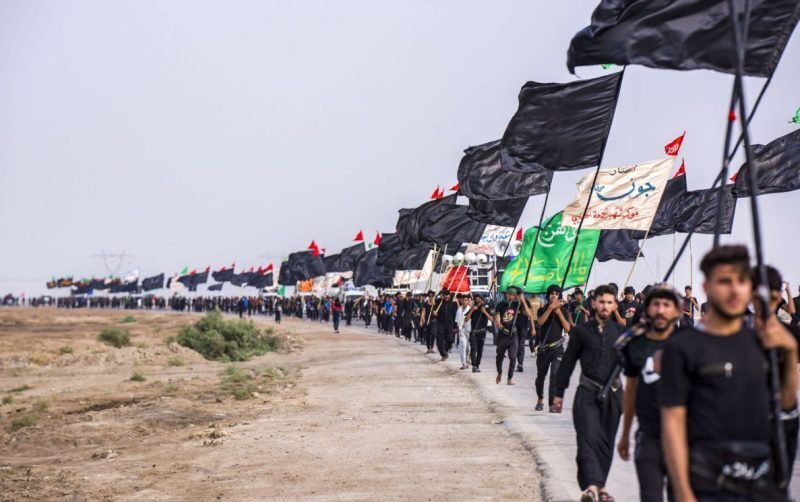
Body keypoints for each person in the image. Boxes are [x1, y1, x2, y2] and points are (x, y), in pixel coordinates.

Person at [661, 245, 798, 501]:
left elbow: (786, 406)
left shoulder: (765, 342)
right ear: (707, 287)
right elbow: (672, 424)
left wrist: (790, 353)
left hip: (760, 480)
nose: (735, 290)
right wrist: (682, 492)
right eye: (725, 281)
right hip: (707, 481)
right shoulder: (682, 347)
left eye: (741, 281)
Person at [552, 284, 626, 502]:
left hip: (614, 396)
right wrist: (559, 393)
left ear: (614, 305)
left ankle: (601, 487)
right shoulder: (582, 332)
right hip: (587, 394)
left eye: (609, 302)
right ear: (593, 303)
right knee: (587, 439)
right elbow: (567, 363)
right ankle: (591, 488)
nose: (605, 306)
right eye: (601, 301)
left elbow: (635, 363)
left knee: (605, 443)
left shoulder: (622, 333)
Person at [616, 284, 682, 501]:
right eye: (656, 304)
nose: (661, 310)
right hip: (649, 437)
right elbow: (631, 391)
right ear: (647, 309)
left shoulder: (690, 343)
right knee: (650, 496)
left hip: (685, 438)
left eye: (667, 305)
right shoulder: (636, 345)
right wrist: (625, 434)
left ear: (677, 310)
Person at [535, 284, 571, 412]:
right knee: (540, 376)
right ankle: (540, 399)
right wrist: (550, 309)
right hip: (544, 348)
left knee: (555, 374)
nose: (554, 295)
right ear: (548, 295)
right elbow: (540, 322)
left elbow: (568, 328)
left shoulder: (564, 311)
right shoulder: (542, 309)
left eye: (556, 293)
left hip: (558, 348)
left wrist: (558, 312)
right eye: (551, 293)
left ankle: (551, 404)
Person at [494, 286, 533, 385]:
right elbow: (497, 319)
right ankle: (499, 372)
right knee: (499, 357)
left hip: (513, 335)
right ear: (506, 294)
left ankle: (509, 378)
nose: (511, 296)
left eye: (513, 295)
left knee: (513, 357)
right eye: (509, 294)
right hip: (503, 335)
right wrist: (499, 325)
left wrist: (523, 300)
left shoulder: (517, 304)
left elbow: (529, 314)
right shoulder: (500, 305)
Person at [469, 295, 493, 373]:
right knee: (473, 349)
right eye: (476, 300)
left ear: (482, 301)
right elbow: (466, 319)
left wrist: (485, 312)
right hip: (473, 332)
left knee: (480, 350)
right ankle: (474, 365)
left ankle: (477, 365)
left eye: (479, 300)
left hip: (482, 332)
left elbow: (492, 319)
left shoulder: (485, 308)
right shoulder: (473, 308)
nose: (478, 301)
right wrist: (472, 310)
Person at [432, 289, 458, 361]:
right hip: (440, 324)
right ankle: (443, 354)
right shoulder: (438, 302)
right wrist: (434, 313)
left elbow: (454, 315)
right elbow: (434, 311)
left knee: (450, 340)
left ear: (449, 296)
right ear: (442, 296)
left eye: (447, 295)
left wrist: (455, 326)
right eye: (445, 295)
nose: (446, 297)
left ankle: (446, 350)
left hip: (450, 325)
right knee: (440, 341)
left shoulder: (453, 303)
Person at [455, 294, 472, 370]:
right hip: (461, 330)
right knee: (463, 347)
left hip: (469, 330)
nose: (464, 301)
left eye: (466, 300)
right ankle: (464, 364)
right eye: (463, 300)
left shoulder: (470, 309)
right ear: (461, 301)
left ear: (468, 301)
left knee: (469, 348)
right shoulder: (459, 310)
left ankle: (468, 360)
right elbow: (457, 321)